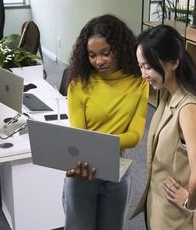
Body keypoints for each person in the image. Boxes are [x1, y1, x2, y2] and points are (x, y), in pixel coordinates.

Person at [63, 14, 149, 230]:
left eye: (105, 53)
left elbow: (135, 136)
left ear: (120, 49)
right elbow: (80, 137)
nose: (98, 61)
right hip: (83, 170)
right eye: (92, 55)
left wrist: (95, 143)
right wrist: (98, 145)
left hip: (117, 169)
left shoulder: (139, 82)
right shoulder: (79, 84)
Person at [131, 25, 196, 230]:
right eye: (141, 67)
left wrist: (188, 203)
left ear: (174, 63)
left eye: (148, 67)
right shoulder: (169, 96)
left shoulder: (189, 109)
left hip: (175, 216)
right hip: (160, 205)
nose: (144, 75)